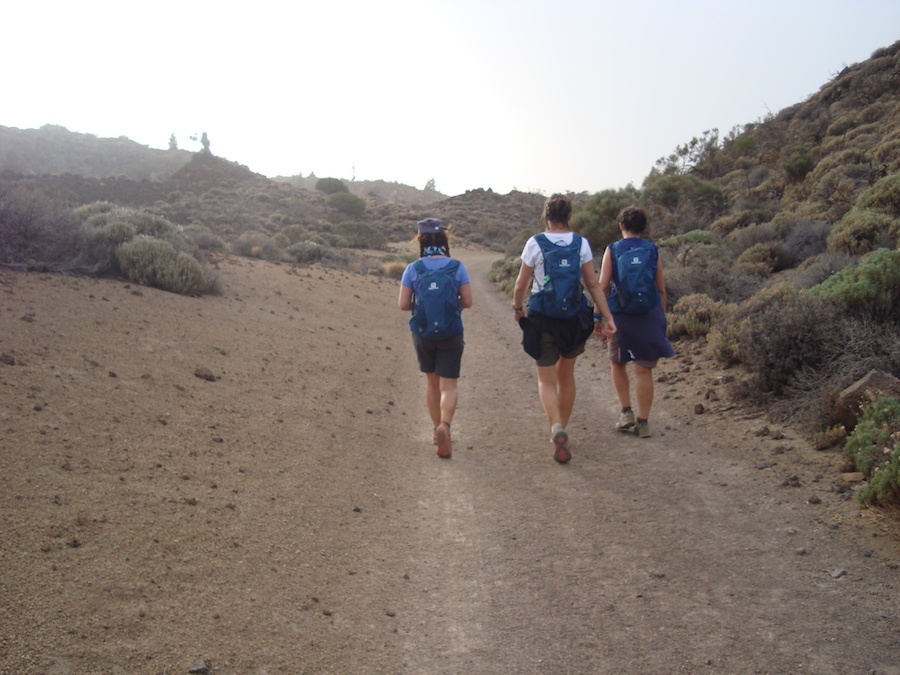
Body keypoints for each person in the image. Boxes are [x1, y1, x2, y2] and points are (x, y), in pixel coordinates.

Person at [512, 195, 616, 464]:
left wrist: (517, 308)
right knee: (566, 376)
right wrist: (607, 316)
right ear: (569, 216)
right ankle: (563, 428)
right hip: (572, 317)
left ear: (546, 216)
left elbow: (522, 283)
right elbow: (593, 284)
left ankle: (555, 427)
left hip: (542, 317)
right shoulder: (580, 243)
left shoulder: (535, 242)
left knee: (546, 379)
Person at [597, 205, 675, 438]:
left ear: (621, 225)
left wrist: (598, 316)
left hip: (619, 314)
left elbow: (601, 286)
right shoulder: (652, 250)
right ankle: (643, 423)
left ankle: (626, 413)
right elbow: (660, 288)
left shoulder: (613, 249)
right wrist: (659, 318)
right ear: (643, 227)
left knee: (617, 362)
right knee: (643, 370)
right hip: (648, 314)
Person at [398, 218, 473, 459]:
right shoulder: (458, 266)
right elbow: (469, 302)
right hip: (452, 332)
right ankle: (446, 427)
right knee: (448, 385)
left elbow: (402, 304)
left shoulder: (413, 268)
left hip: (423, 332)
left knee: (431, 383)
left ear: (420, 241)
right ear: (444, 239)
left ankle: (435, 430)